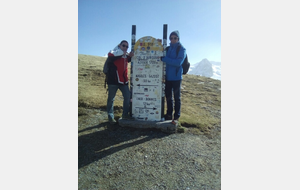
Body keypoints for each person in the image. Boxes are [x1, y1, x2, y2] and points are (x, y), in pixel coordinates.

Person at [105, 40, 134, 124]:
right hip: (113, 81)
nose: (125, 48)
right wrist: (123, 53)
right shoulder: (114, 53)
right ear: (119, 45)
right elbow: (110, 55)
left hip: (124, 81)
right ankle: (110, 117)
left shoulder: (125, 55)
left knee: (127, 97)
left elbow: (127, 59)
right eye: (123, 45)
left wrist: (129, 56)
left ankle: (125, 114)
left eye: (126, 46)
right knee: (111, 99)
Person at [161, 30, 186, 124]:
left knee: (176, 97)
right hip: (168, 77)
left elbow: (178, 62)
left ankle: (176, 116)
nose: (173, 39)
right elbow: (160, 53)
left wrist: (165, 59)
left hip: (176, 77)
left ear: (178, 39)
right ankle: (169, 114)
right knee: (168, 97)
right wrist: (159, 43)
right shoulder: (167, 48)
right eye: (171, 38)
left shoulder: (182, 49)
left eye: (175, 38)